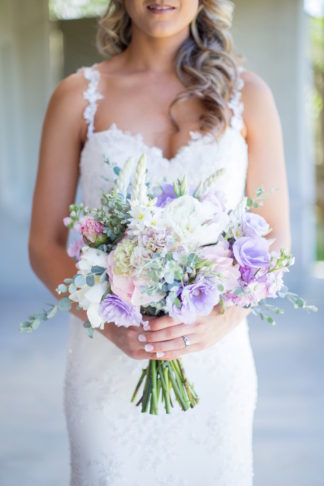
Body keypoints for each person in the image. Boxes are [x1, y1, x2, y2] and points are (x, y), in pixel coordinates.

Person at [28, 1, 291, 484]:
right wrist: (109, 324)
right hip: (105, 364)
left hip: (216, 362)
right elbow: (44, 244)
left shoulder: (247, 94)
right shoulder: (76, 96)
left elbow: (273, 234)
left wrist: (221, 320)